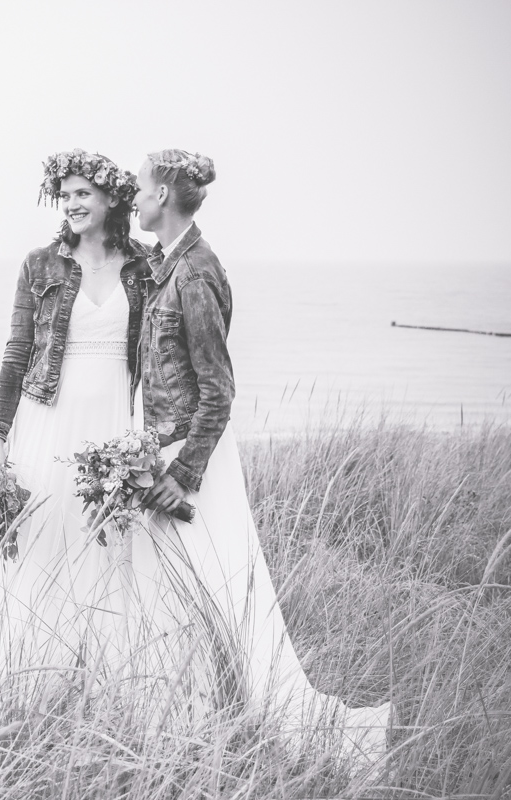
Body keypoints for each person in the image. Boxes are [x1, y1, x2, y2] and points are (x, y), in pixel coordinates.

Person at [131, 148, 391, 760]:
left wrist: (183, 474)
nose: (134, 198)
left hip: (191, 465)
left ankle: (273, 724)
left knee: (221, 591)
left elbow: (218, 390)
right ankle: (196, 716)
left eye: (140, 189)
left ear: (164, 195)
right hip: (168, 452)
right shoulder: (168, 262)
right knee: (182, 596)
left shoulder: (196, 273)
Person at [0, 149, 150, 705]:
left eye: (82, 194)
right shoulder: (40, 263)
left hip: (115, 424)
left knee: (107, 542)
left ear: (111, 198)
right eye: (64, 195)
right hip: (48, 418)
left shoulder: (145, 264)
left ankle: (104, 684)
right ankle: (26, 679)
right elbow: (17, 351)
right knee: (43, 536)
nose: (71, 204)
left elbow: (160, 350)